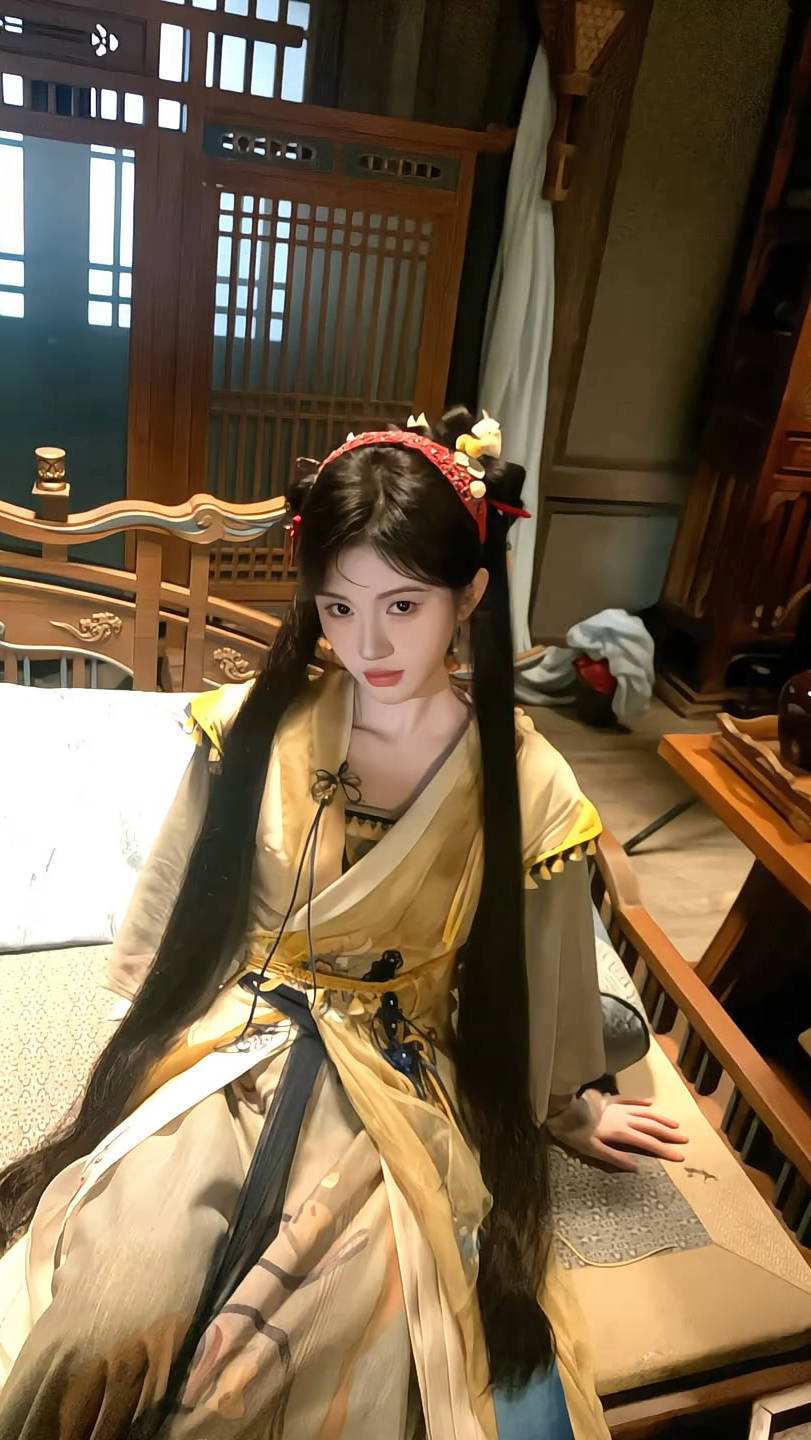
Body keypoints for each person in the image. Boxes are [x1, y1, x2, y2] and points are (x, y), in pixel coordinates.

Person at [0, 409, 686, 1439]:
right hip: (230, 1050)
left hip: (398, 1088)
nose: (368, 644)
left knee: (268, 1375)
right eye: (339, 605)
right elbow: (174, 913)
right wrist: (145, 1052)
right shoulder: (253, 726)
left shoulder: (528, 785)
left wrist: (566, 1106)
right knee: (106, 1322)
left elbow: (538, 976)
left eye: (403, 605)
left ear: (470, 597)